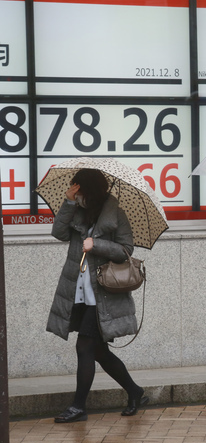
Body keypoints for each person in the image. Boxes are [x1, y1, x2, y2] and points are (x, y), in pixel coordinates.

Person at [47, 168, 147, 423]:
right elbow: (58, 233)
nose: (74, 191)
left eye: (77, 188)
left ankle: (78, 407)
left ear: (88, 189)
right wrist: (68, 203)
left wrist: (97, 244)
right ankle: (135, 391)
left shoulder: (116, 214)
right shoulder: (77, 211)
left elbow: (126, 250)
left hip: (102, 294)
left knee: (84, 346)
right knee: (99, 352)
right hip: (78, 291)